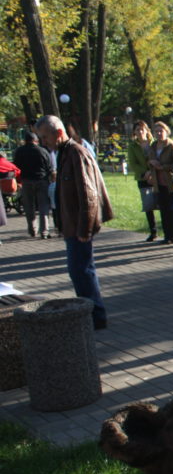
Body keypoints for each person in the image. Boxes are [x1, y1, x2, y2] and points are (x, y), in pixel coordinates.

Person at [35, 115, 114, 330]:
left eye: (45, 137)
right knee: (80, 270)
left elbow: (89, 195)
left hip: (79, 227)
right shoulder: (65, 153)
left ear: (59, 133)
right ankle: (92, 313)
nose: (43, 142)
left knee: (81, 270)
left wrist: (85, 229)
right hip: (73, 225)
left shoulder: (76, 153)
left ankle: (95, 315)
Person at [13, 130, 54, 239]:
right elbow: (49, 167)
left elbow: (16, 166)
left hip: (26, 181)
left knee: (29, 206)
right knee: (43, 205)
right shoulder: (42, 151)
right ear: (36, 140)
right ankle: (44, 231)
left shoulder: (19, 151)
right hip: (42, 180)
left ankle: (32, 230)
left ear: (25, 141)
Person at [148, 121, 173, 245]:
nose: (158, 133)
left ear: (166, 132)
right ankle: (167, 235)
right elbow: (150, 159)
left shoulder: (171, 146)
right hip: (158, 183)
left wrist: (163, 167)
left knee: (172, 210)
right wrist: (151, 164)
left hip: (169, 183)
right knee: (163, 210)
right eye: (156, 131)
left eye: (161, 131)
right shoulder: (153, 146)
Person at [127, 121, 157, 241]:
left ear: (146, 130)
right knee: (148, 205)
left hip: (158, 176)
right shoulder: (132, 146)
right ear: (134, 132)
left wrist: (152, 172)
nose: (140, 132)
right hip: (143, 178)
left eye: (142, 129)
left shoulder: (153, 143)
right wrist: (145, 173)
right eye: (137, 129)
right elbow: (133, 164)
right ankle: (153, 231)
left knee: (164, 204)